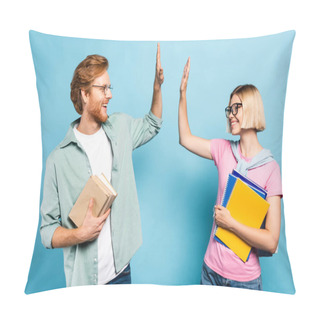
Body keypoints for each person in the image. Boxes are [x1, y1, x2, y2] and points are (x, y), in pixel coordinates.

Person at [40, 44, 164, 287]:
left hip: (121, 272)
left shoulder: (120, 128)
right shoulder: (57, 159)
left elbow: (153, 124)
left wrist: (157, 87)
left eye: (110, 88)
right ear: (84, 95)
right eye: (103, 88)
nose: (110, 94)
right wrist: (79, 234)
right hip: (83, 282)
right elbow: (47, 231)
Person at [178, 58, 282, 290]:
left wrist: (231, 224)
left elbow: (272, 241)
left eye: (237, 108)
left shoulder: (271, 169)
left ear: (252, 108)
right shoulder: (223, 150)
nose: (230, 114)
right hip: (210, 271)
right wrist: (182, 94)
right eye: (229, 109)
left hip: (245, 281)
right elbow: (185, 138)